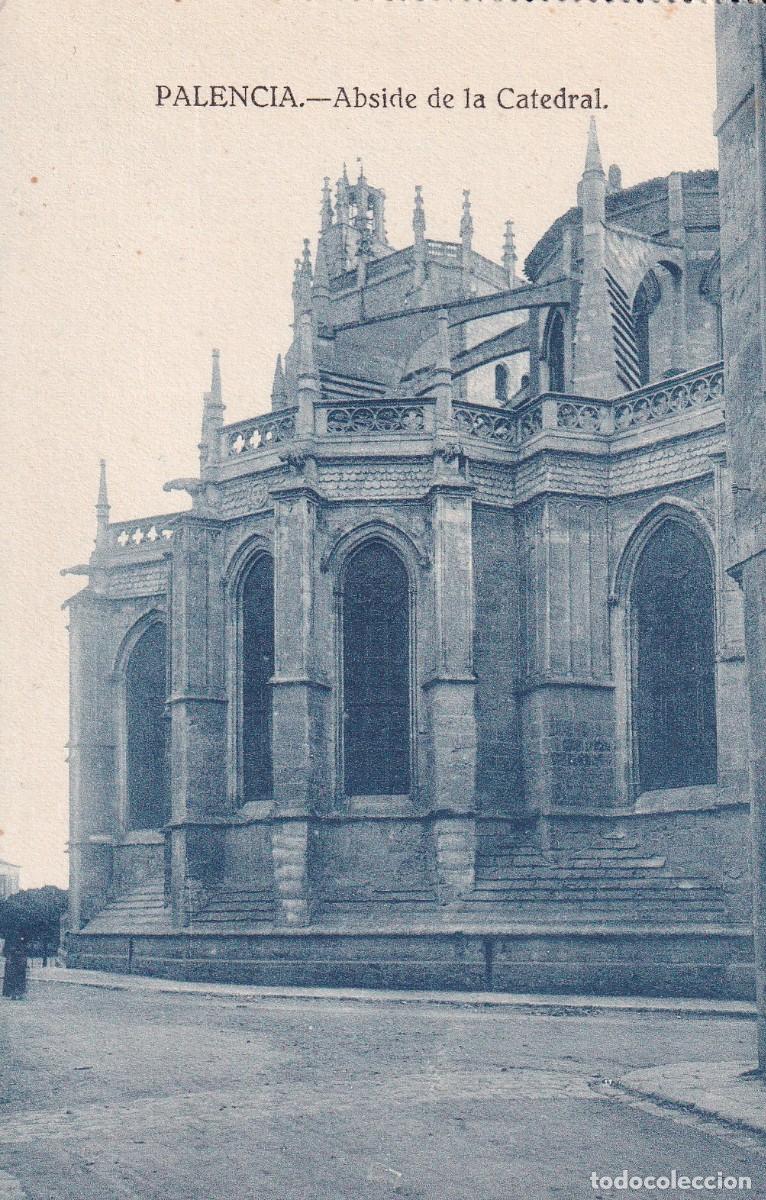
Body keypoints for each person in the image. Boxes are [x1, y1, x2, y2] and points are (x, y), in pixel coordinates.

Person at [2, 931, 29, 999]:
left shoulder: (15, 933)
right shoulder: (10, 935)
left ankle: (17, 992)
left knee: (17, 975)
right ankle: (13, 993)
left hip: (17, 957)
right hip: (13, 957)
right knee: (13, 975)